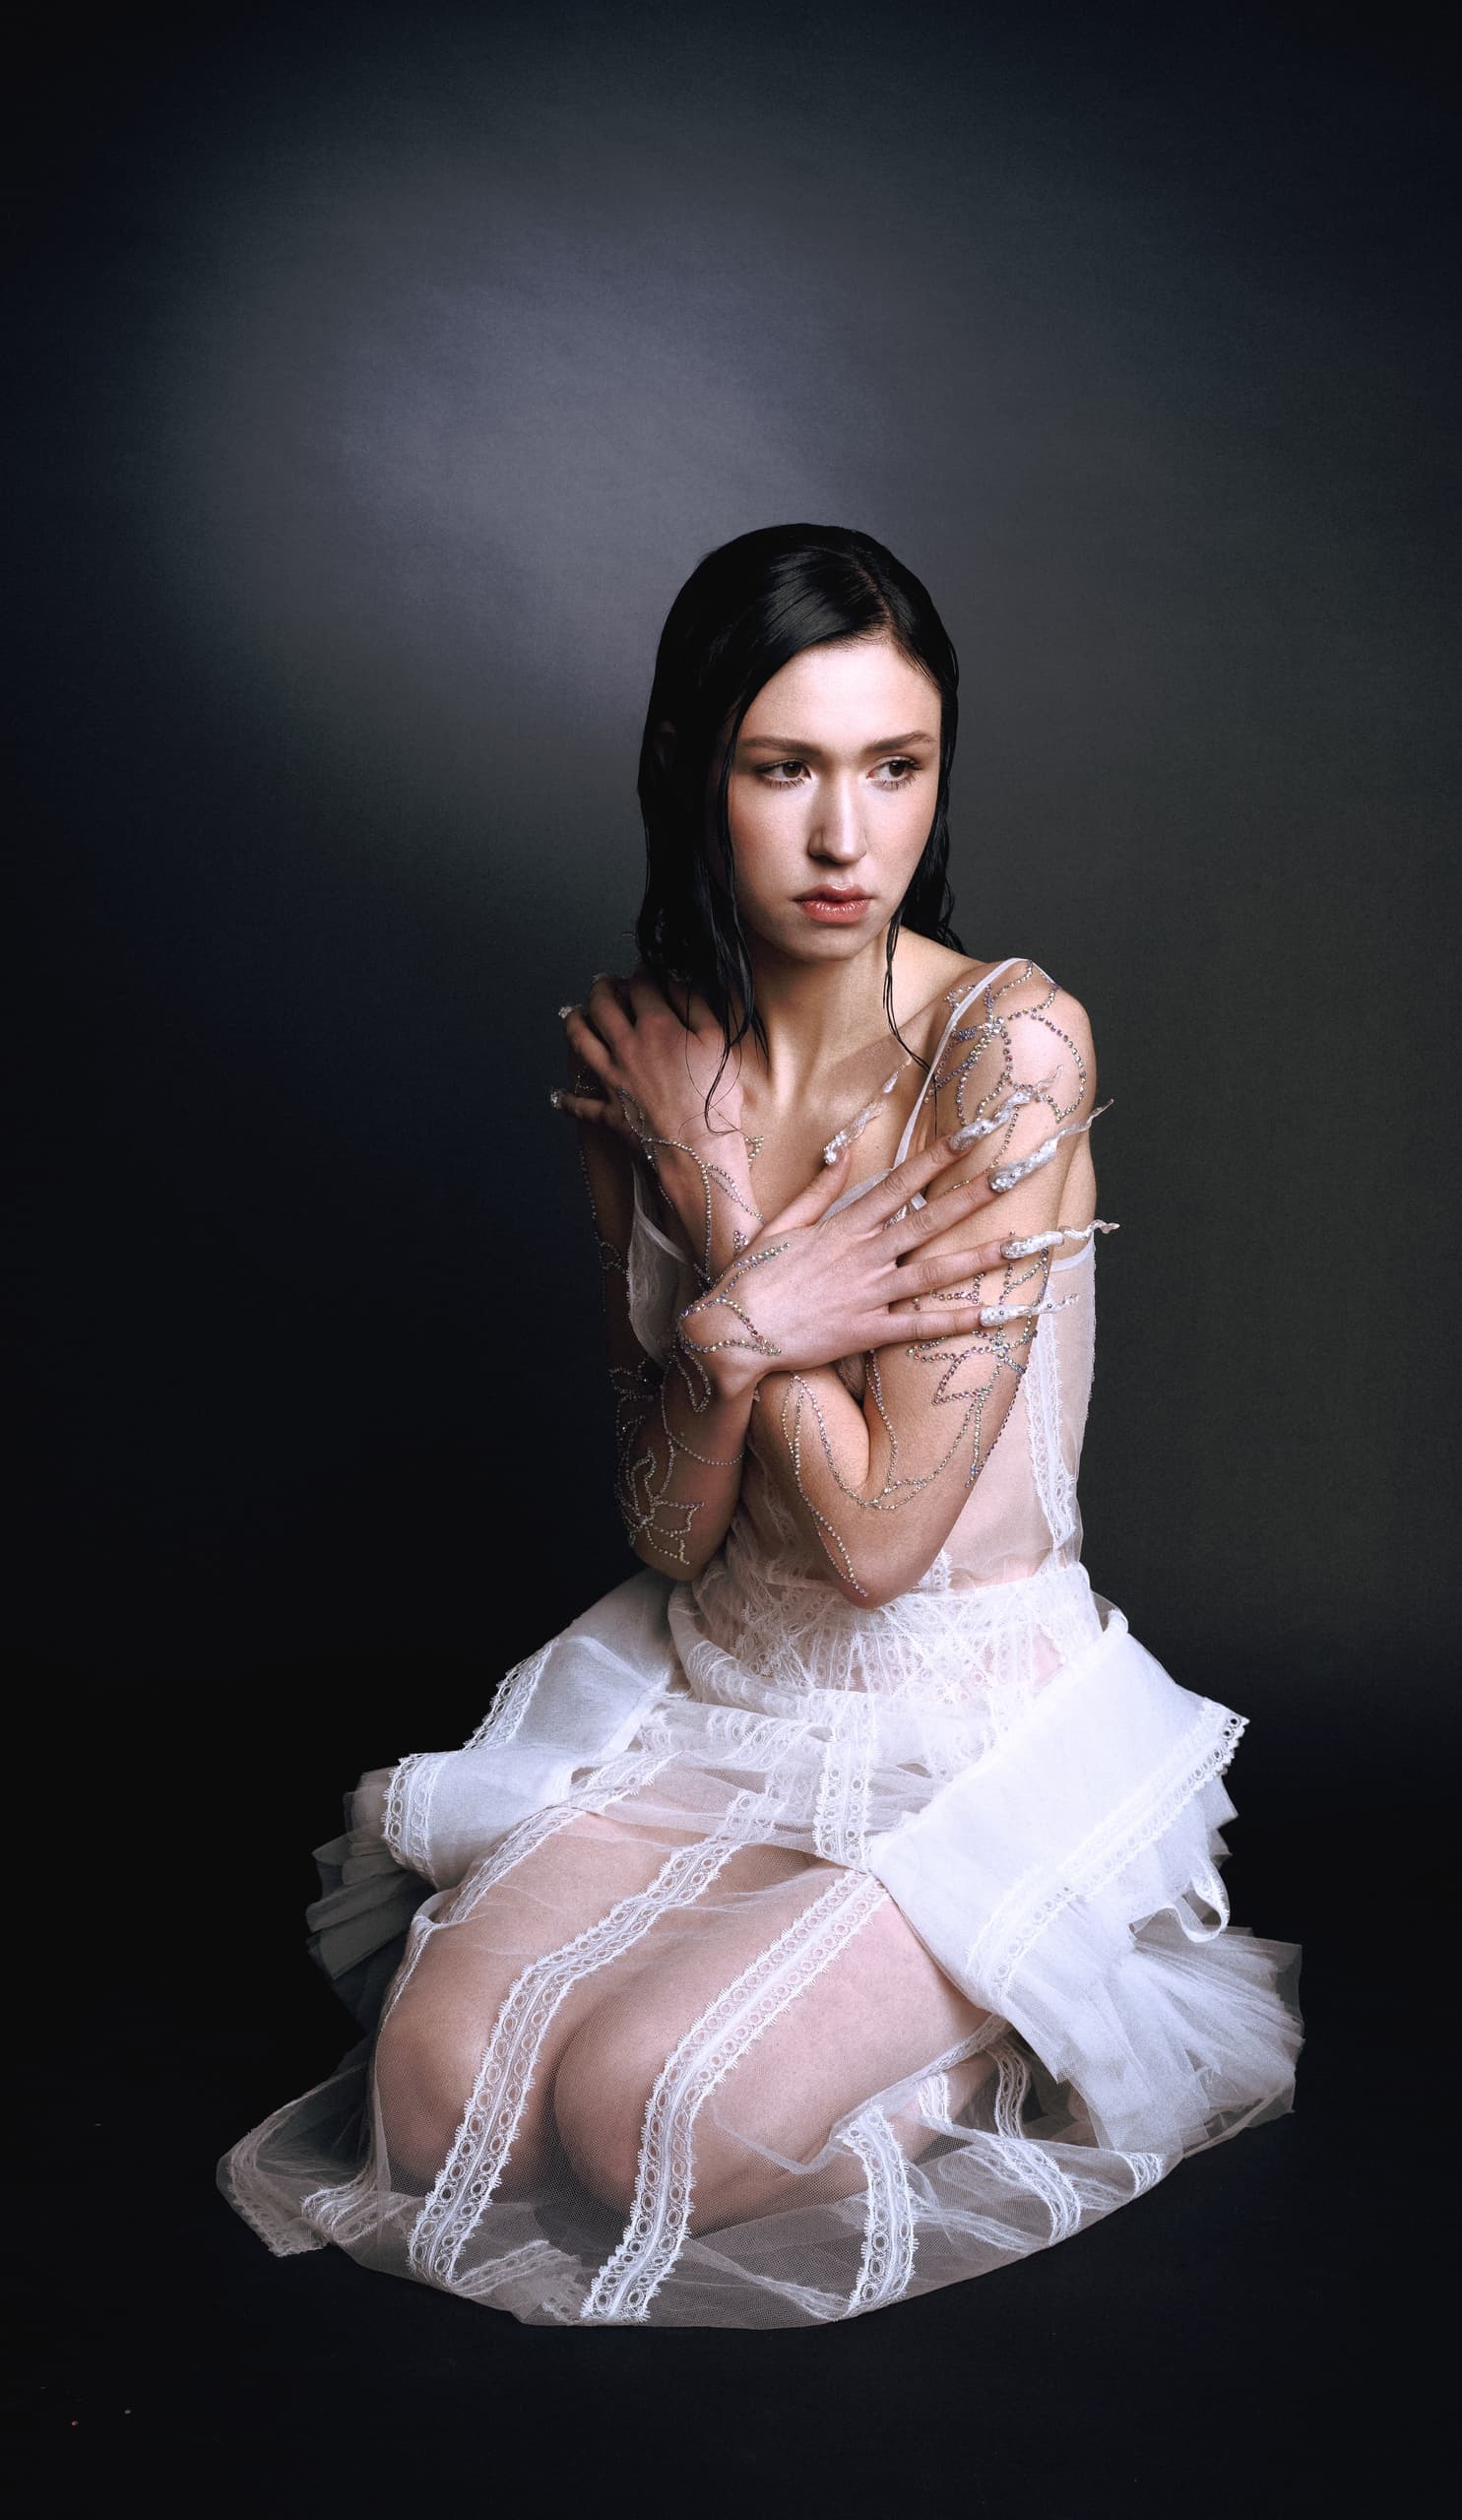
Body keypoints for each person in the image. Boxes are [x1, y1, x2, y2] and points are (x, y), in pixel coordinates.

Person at [220, 523, 1303, 2328]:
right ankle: (802, 1988)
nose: (843, 836)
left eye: (895, 768)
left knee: (654, 2123)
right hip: (715, 1682)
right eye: (780, 768)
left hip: (957, 1707)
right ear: (691, 772)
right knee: (432, 2110)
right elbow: (664, 1521)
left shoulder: (1005, 1047)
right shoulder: (643, 1053)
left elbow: (881, 1545)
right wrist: (723, 1343)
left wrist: (723, 1223)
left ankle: (990, 2010)